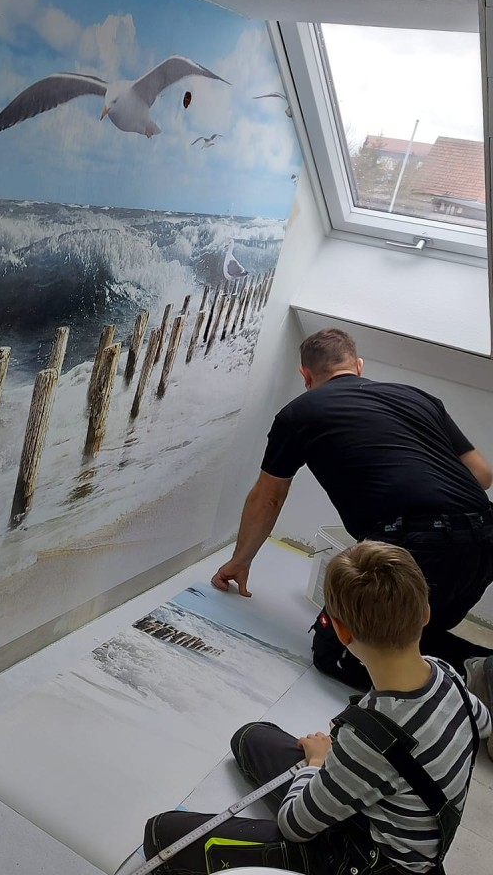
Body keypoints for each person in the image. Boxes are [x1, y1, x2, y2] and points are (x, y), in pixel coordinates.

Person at [144, 542, 491, 875]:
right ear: (426, 611)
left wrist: (318, 763)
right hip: (383, 806)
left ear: (341, 632)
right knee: (250, 737)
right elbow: (482, 722)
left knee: (160, 835)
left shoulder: (369, 739)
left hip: (369, 861)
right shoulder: (446, 674)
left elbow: (294, 825)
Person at [212, 327, 493, 689]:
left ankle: (478, 675)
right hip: (484, 540)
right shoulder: (419, 397)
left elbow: (269, 496)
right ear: (358, 366)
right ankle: (470, 670)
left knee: (340, 649)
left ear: (306, 375)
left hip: (415, 545)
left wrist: (241, 560)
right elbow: (482, 475)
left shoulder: (300, 413)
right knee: (410, 629)